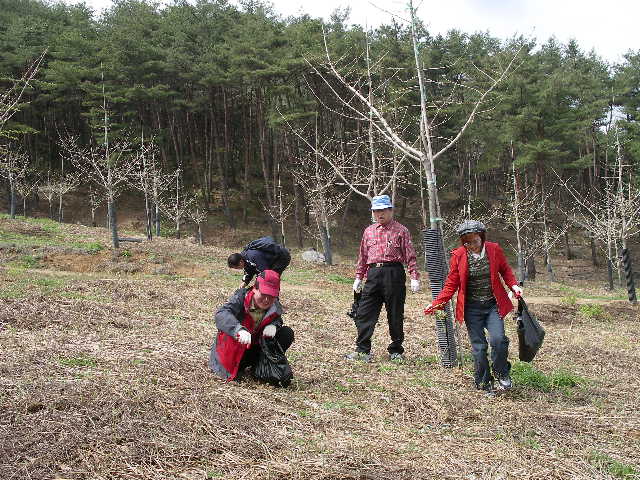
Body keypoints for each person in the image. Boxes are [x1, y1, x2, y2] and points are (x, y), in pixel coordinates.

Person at [424, 220, 523, 396]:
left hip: (492, 305)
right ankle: (484, 382)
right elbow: (451, 284)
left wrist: (513, 286)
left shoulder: (493, 250)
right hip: (472, 308)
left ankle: (501, 372)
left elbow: (505, 270)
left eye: (475, 241)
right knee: (479, 348)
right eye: (467, 242)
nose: (471, 245)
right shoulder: (459, 255)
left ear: (482, 237)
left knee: (499, 340)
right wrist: (437, 302)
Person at [346, 194, 420, 362]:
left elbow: (410, 256)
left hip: (394, 273)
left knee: (395, 313)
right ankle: (363, 350)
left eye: (383, 210)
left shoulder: (401, 230)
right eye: (376, 211)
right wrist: (358, 277)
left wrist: (414, 276)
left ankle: (396, 350)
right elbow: (363, 256)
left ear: (390, 210)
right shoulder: (368, 231)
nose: (379, 214)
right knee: (364, 312)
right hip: (373, 274)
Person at [208, 270, 294, 382]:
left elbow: (278, 319)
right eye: (263, 294)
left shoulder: (275, 306)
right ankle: (238, 367)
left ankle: (259, 367)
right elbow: (222, 315)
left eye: (271, 296)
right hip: (233, 350)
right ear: (255, 289)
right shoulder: (240, 298)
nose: (267, 300)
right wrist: (238, 330)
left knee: (286, 333)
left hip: (254, 347)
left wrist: (273, 325)